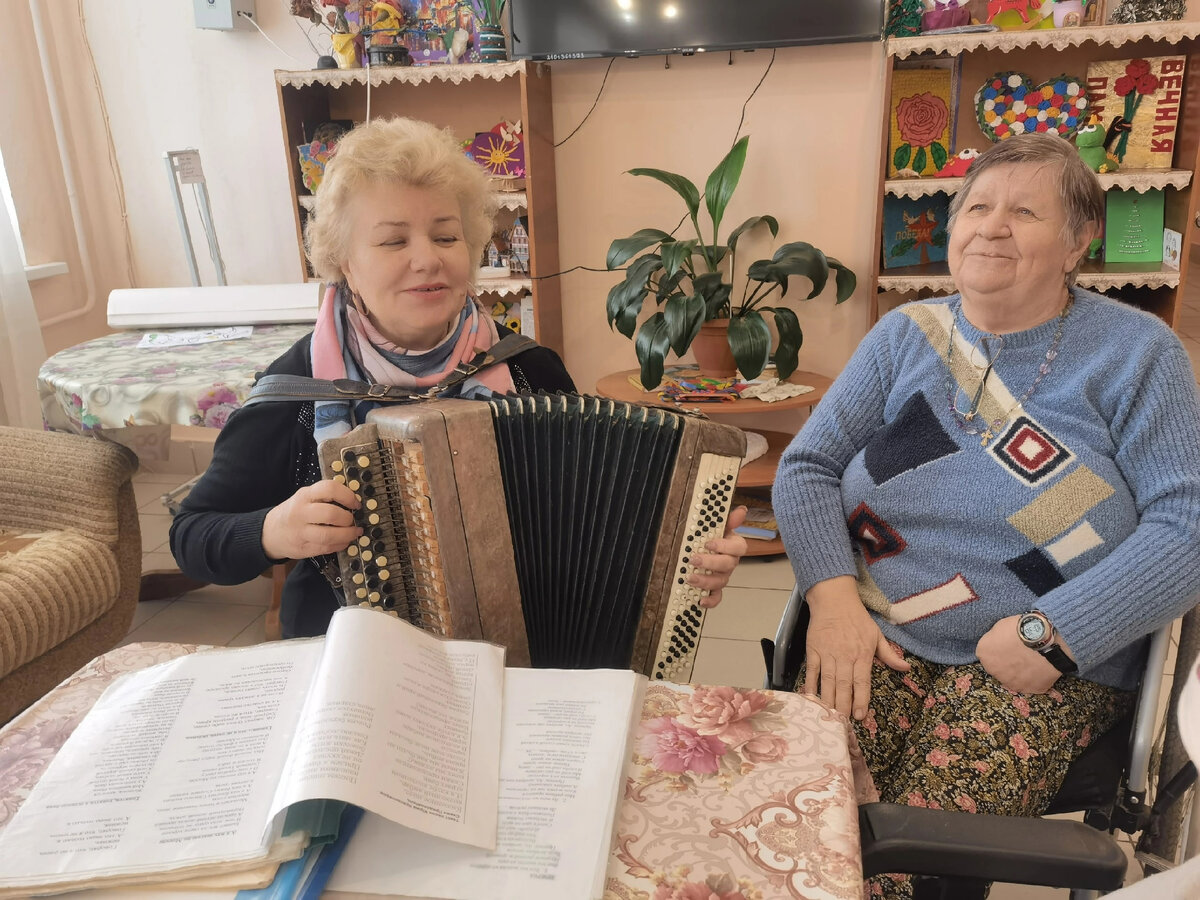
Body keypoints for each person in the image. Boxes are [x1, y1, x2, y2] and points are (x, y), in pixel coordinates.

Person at [772, 133, 1200, 898]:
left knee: (915, 868)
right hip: (878, 631)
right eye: (977, 206)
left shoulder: (1139, 352)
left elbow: (1187, 523)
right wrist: (832, 603)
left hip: (1036, 662)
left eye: (1025, 211)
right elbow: (807, 467)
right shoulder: (905, 334)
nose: (990, 226)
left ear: (1078, 244)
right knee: (795, 825)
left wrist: (1055, 632)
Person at [171, 116, 747, 640]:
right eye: (394, 240)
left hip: (521, 649)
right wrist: (271, 531)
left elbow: (598, 532)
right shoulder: (298, 389)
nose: (428, 259)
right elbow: (193, 537)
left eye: (446, 236)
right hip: (349, 664)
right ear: (344, 259)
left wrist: (687, 562)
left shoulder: (529, 368)